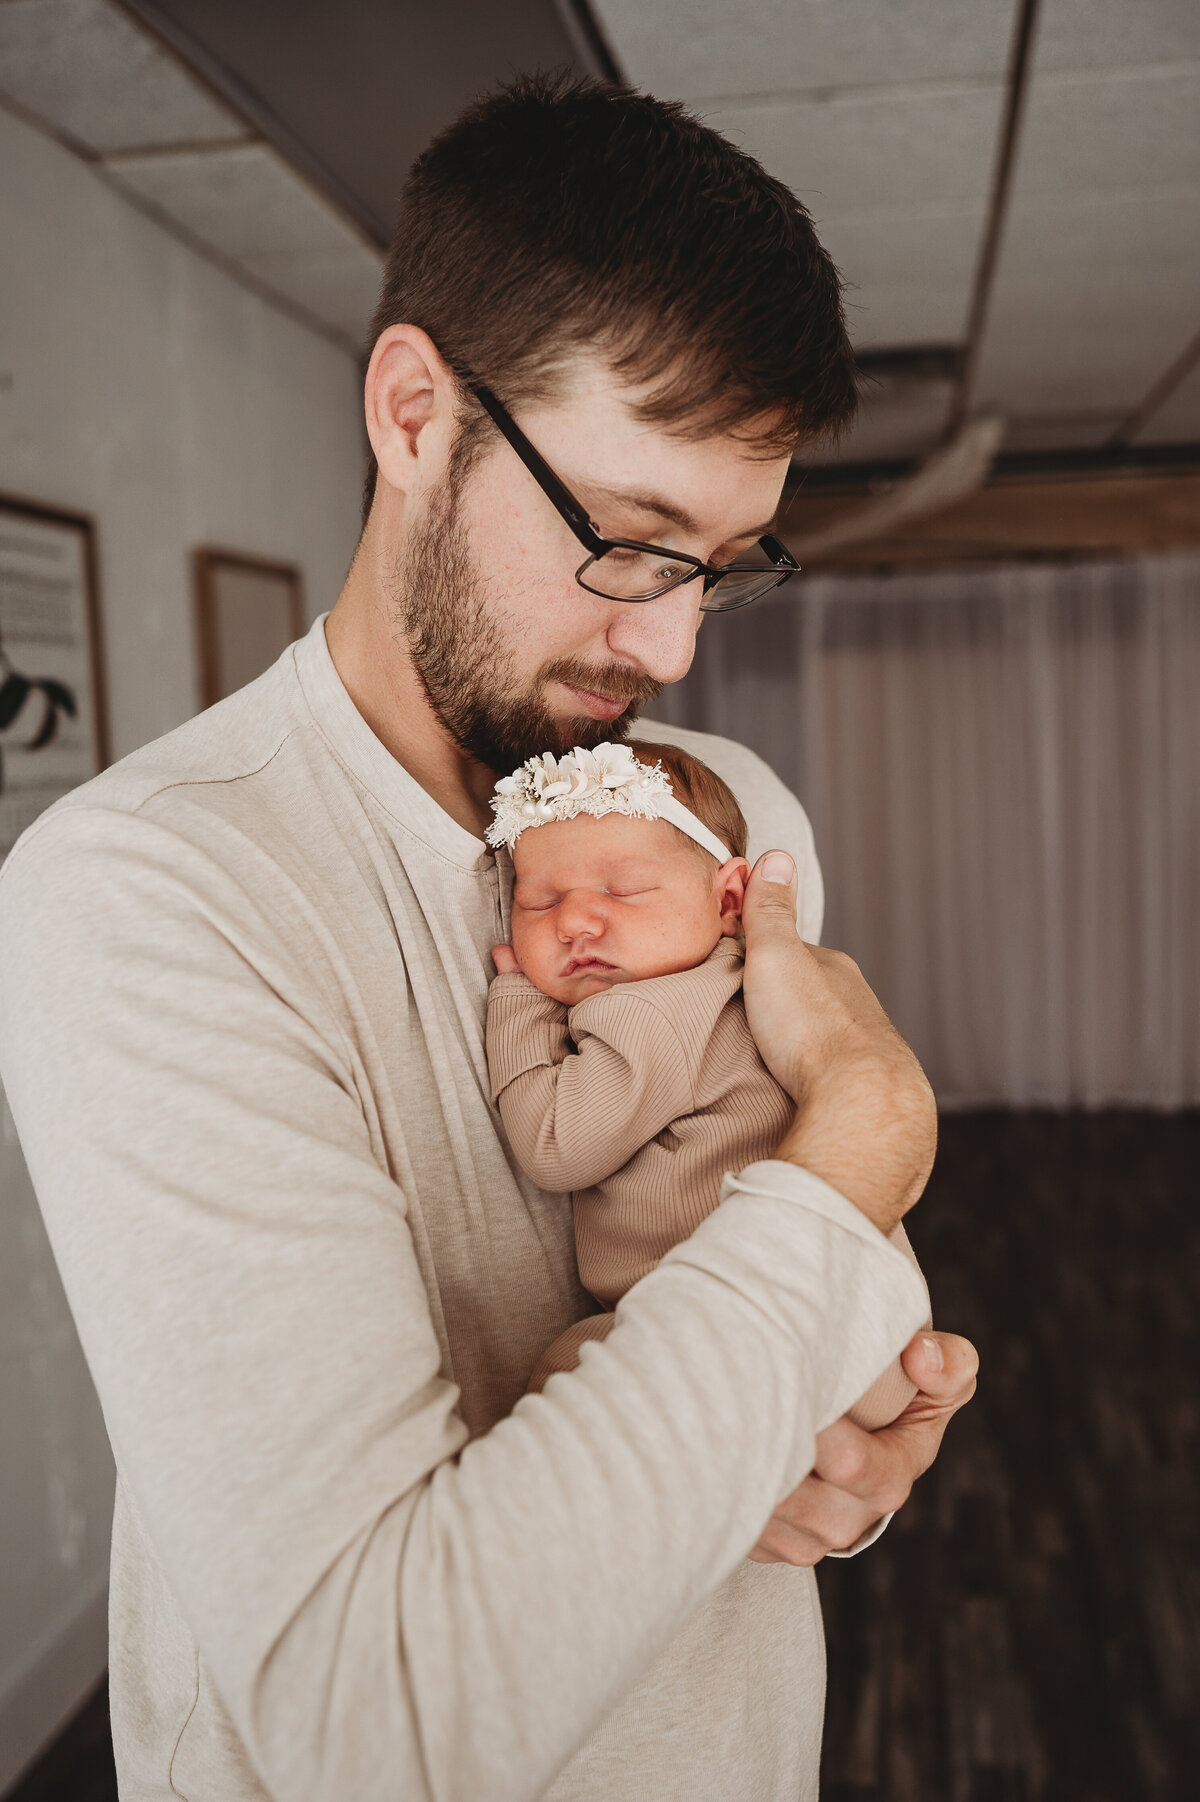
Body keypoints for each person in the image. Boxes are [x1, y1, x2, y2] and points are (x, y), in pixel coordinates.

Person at [0, 74, 977, 1802]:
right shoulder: (147, 891)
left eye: (722, 564)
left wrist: (854, 1456)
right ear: (411, 412)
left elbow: (799, 1284)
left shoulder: (728, 808)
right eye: (630, 543)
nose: (673, 647)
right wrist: (867, 1139)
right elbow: (370, 1722)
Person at [484, 737, 929, 1414]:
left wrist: (518, 1005)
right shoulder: (747, 987)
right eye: (539, 902)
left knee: (567, 1377)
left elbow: (556, 1145)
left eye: (623, 890)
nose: (573, 922)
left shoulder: (656, 1011)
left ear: (729, 900)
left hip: (755, 1327)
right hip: (864, 1325)